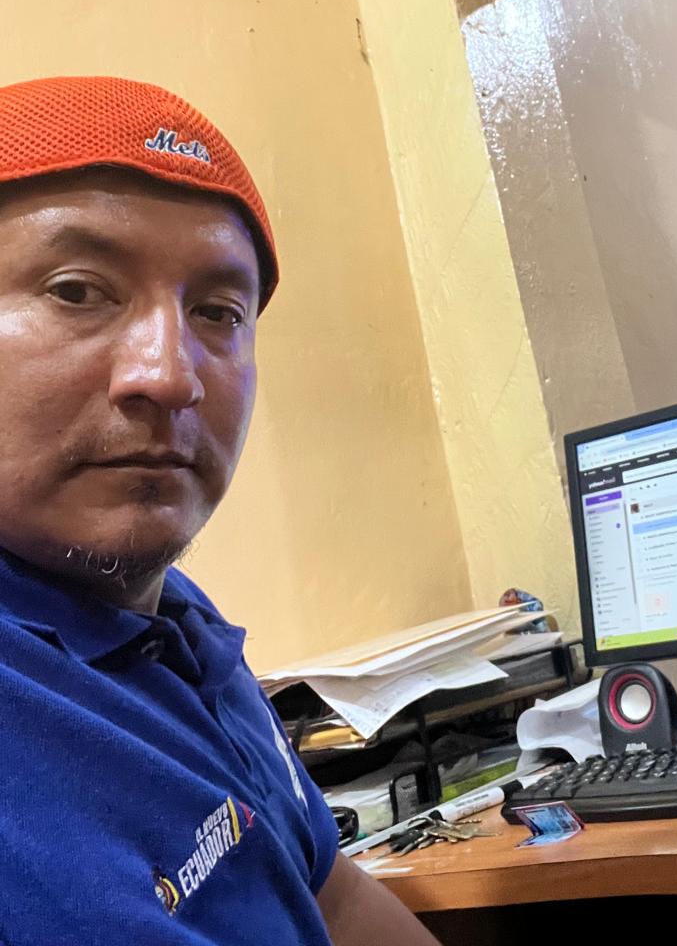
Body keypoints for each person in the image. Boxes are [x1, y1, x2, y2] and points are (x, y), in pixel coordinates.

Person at [0, 76, 439, 945]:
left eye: (217, 312)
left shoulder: (173, 621)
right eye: (77, 290)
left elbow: (332, 895)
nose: (169, 375)